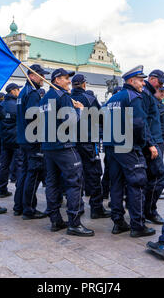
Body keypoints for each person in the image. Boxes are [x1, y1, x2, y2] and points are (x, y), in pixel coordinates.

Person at [40, 68, 95, 237]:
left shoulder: (45, 98)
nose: (68, 81)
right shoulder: (62, 97)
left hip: (48, 146)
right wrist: (79, 110)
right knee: (74, 182)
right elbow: (70, 121)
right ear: (56, 80)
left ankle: (55, 220)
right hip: (64, 146)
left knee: (53, 183)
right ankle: (74, 223)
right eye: (65, 79)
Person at [104, 65, 157, 238]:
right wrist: (146, 144)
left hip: (112, 146)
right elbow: (140, 123)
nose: (143, 84)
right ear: (131, 81)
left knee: (116, 184)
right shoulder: (133, 97)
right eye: (141, 81)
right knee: (137, 184)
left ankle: (118, 222)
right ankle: (138, 225)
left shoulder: (113, 99)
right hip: (128, 146)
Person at [70, 74, 111, 219]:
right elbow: (101, 117)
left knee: (74, 176)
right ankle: (96, 208)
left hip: (71, 143)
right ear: (83, 84)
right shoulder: (89, 99)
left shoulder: (67, 98)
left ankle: (76, 208)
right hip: (87, 141)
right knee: (94, 174)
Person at [15, 64, 48, 219]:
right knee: (33, 174)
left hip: (23, 138)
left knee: (25, 173)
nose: (44, 79)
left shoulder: (23, 92)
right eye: (41, 75)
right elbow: (33, 116)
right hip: (32, 139)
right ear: (33, 76)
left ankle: (19, 205)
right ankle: (29, 209)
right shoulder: (33, 93)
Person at [141, 79, 164, 225]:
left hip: (155, 141)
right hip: (151, 142)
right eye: (160, 84)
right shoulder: (146, 95)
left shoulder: (149, 95)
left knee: (151, 177)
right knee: (159, 175)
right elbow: (143, 121)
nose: (161, 88)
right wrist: (151, 144)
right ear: (153, 80)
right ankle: (149, 211)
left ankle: (145, 210)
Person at [0, 83, 22, 198]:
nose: (19, 92)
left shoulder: (1, 104)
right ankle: (19, 191)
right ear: (13, 91)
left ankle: (2, 189)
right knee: (19, 165)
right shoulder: (18, 105)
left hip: (4, 140)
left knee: (4, 165)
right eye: (18, 90)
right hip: (16, 140)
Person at [101, 86, 122, 200]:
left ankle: (107, 194)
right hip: (118, 142)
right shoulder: (123, 102)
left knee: (110, 170)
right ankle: (109, 194)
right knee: (113, 171)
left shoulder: (107, 104)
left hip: (109, 141)